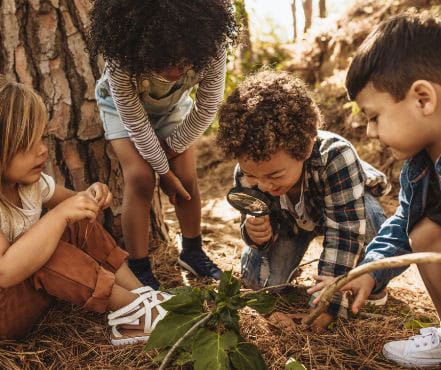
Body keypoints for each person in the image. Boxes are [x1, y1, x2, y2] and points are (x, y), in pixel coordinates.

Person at [0, 79, 171, 345]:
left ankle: (140, 295)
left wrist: (91, 196)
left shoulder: (29, 185)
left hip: (33, 294)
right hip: (5, 314)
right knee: (47, 247)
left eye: (42, 137)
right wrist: (58, 216)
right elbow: (5, 272)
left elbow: (77, 206)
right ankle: (132, 314)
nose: (43, 149)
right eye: (27, 143)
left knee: (74, 223)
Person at [216, 70, 390, 329]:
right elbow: (250, 219)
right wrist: (256, 235)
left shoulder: (336, 156)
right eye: (254, 176)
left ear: (306, 147)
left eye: (275, 174)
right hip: (289, 226)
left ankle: (372, 281)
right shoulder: (248, 171)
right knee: (258, 283)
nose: (264, 185)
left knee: (371, 218)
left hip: (343, 212)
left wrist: (326, 304)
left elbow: (344, 232)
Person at [88, 0, 237, 288]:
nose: (174, 71)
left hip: (172, 109)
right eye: (164, 62)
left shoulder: (212, 45)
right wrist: (162, 173)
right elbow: (136, 123)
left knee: (187, 177)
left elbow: (207, 107)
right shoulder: (122, 59)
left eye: (183, 62)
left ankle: (193, 252)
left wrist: (170, 154)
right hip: (121, 110)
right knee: (141, 178)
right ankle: (140, 266)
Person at [329, 12, 441, 367]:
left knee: (428, 234)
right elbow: (402, 222)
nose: (372, 132)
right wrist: (370, 271)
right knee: (423, 232)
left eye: (374, 117)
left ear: (423, 99)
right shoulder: (419, 167)